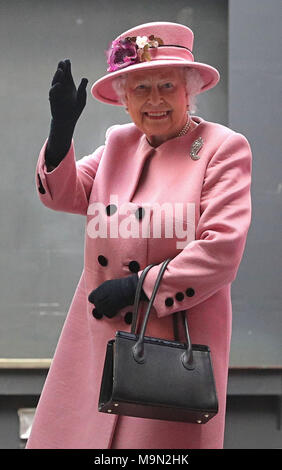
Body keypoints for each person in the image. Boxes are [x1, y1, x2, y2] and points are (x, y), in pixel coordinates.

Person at [26, 21, 252, 449]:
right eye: (140, 89)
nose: (154, 100)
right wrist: (59, 138)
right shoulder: (118, 142)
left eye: (166, 85)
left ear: (189, 90)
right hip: (99, 341)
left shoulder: (222, 147)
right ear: (125, 99)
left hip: (172, 345)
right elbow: (65, 194)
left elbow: (221, 249)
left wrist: (140, 286)